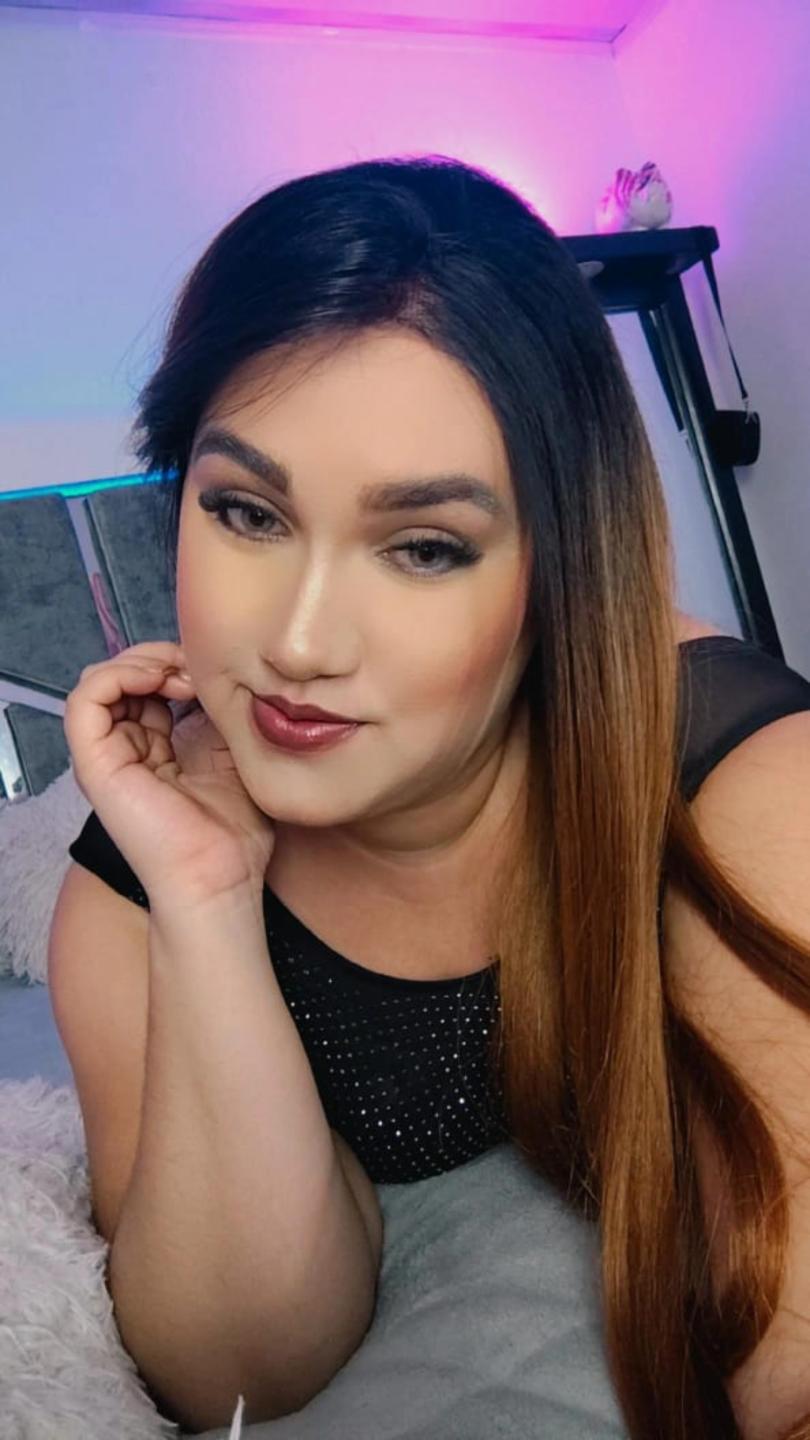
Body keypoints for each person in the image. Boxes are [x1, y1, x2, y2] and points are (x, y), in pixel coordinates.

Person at [47, 155, 810, 1440]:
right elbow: (236, 1376)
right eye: (247, 513)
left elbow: (784, 1361)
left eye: (423, 548)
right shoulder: (132, 890)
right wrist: (209, 901)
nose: (298, 642)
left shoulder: (733, 770)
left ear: (557, 570)